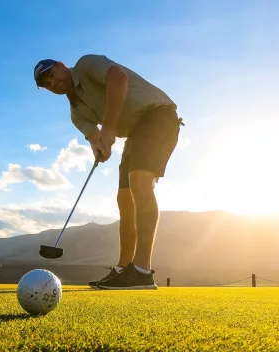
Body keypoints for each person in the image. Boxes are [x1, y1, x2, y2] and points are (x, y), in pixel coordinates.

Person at [34, 55, 182, 289]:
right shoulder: (76, 113)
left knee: (140, 181)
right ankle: (124, 269)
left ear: (61, 65)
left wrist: (109, 126)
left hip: (158, 115)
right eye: (46, 84)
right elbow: (97, 140)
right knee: (124, 197)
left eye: (51, 75)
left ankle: (142, 270)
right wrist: (100, 148)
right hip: (135, 134)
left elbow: (118, 77)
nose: (52, 83)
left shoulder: (85, 64)